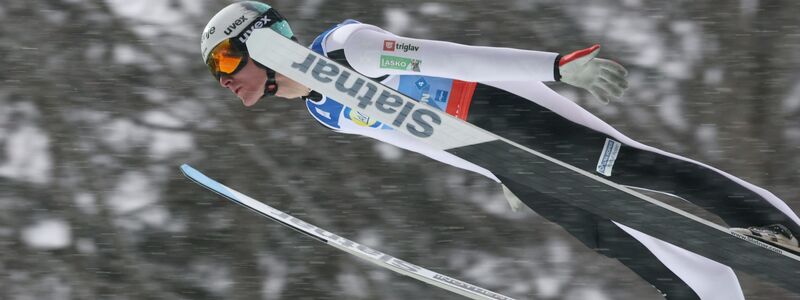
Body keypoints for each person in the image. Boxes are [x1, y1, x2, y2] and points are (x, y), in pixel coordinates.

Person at [200, 2, 800, 299]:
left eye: (226, 59)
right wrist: (496, 171)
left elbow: (444, 57)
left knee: (632, 170)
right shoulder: (324, 109)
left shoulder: (345, 48)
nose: (224, 80)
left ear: (261, 38)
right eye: (214, 74)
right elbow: (417, 136)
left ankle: (776, 229)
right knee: (611, 232)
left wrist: (555, 68)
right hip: (491, 150)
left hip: (497, 105)